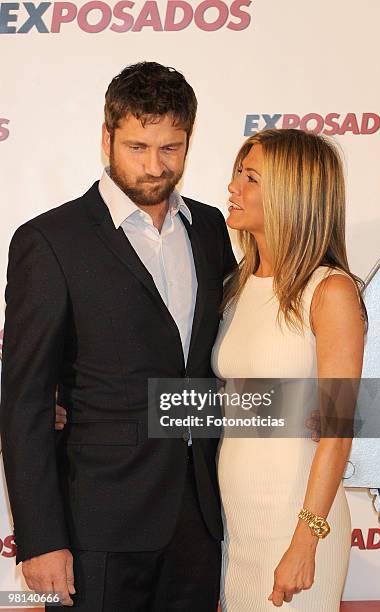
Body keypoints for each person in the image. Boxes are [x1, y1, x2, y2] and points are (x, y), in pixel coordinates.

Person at [0, 61, 236, 611]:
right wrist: (41, 538)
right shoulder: (49, 240)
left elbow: (203, 369)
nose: (154, 167)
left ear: (189, 140)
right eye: (136, 147)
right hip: (97, 525)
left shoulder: (209, 229)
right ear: (106, 137)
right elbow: (26, 400)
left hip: (199, 519)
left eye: (170, 149)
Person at [211, 129, 366, 610]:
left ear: (290, 194)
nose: (233, 187)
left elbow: (338, 429)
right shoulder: (238, 285)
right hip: (237, 528)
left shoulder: (330, 291)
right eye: (238, 173)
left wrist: (305, 542)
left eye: (251, 177)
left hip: (295, 529)